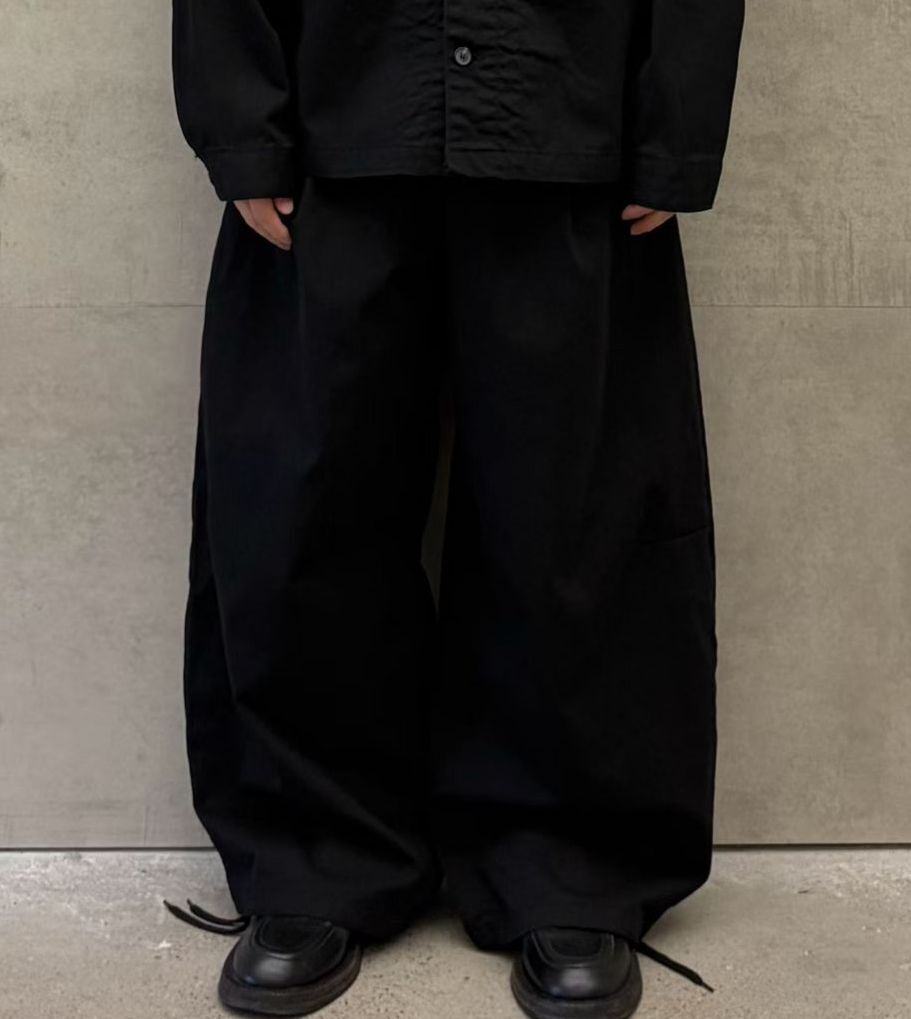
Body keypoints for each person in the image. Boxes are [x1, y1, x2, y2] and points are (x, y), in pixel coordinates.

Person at [165, 2, 745, 1016]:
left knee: (572, 519)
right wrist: (242, 120)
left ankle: (568, 860)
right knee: (301, 508)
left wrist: (675, 123)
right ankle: (315, 855)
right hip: (332, 111)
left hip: (567, 112)